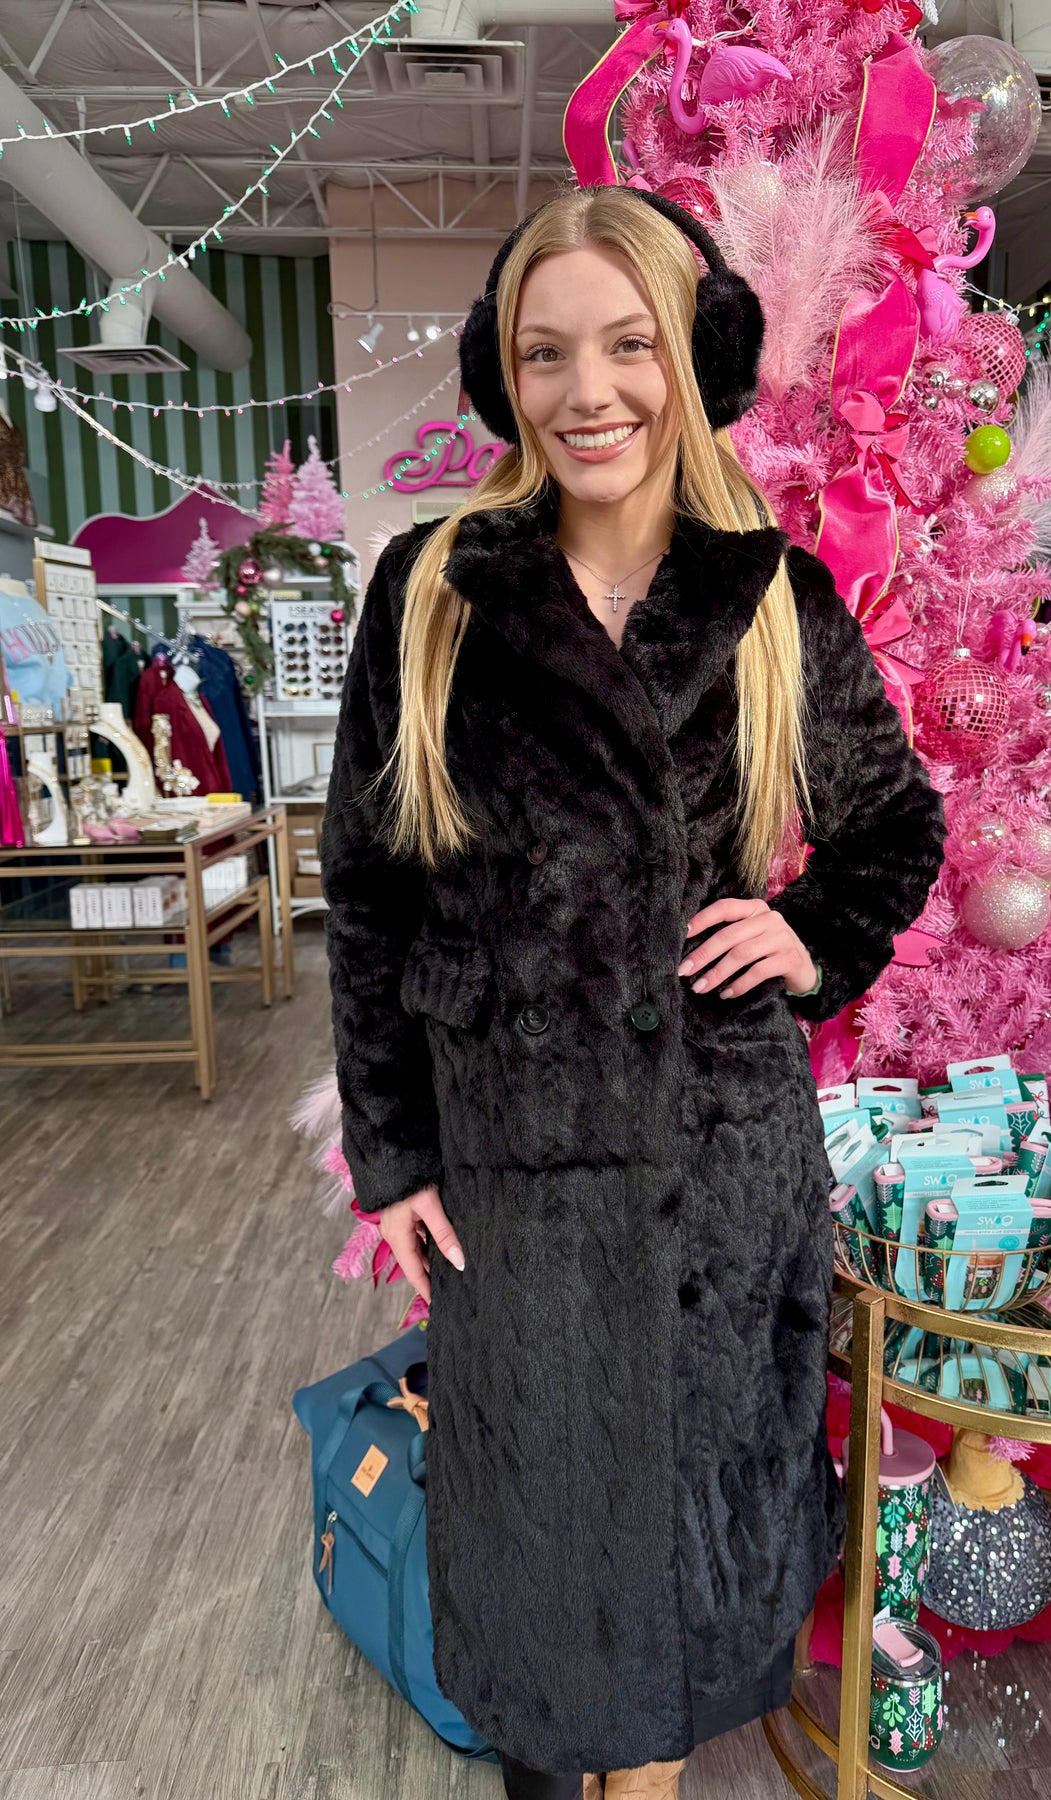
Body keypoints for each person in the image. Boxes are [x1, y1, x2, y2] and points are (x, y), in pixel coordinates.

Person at [320, 185, 946, 1800]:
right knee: (538, 1569)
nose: (586, 391)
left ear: (691, 352)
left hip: (712, 1171)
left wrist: (810, 935)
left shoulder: (771, 600)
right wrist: (392, 1153)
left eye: (627, 344)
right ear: (503, 376)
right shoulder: (434, 590)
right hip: (512, 1170)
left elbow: (894, 825)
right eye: (545, 354)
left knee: (681, 1564)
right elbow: (373, 887)